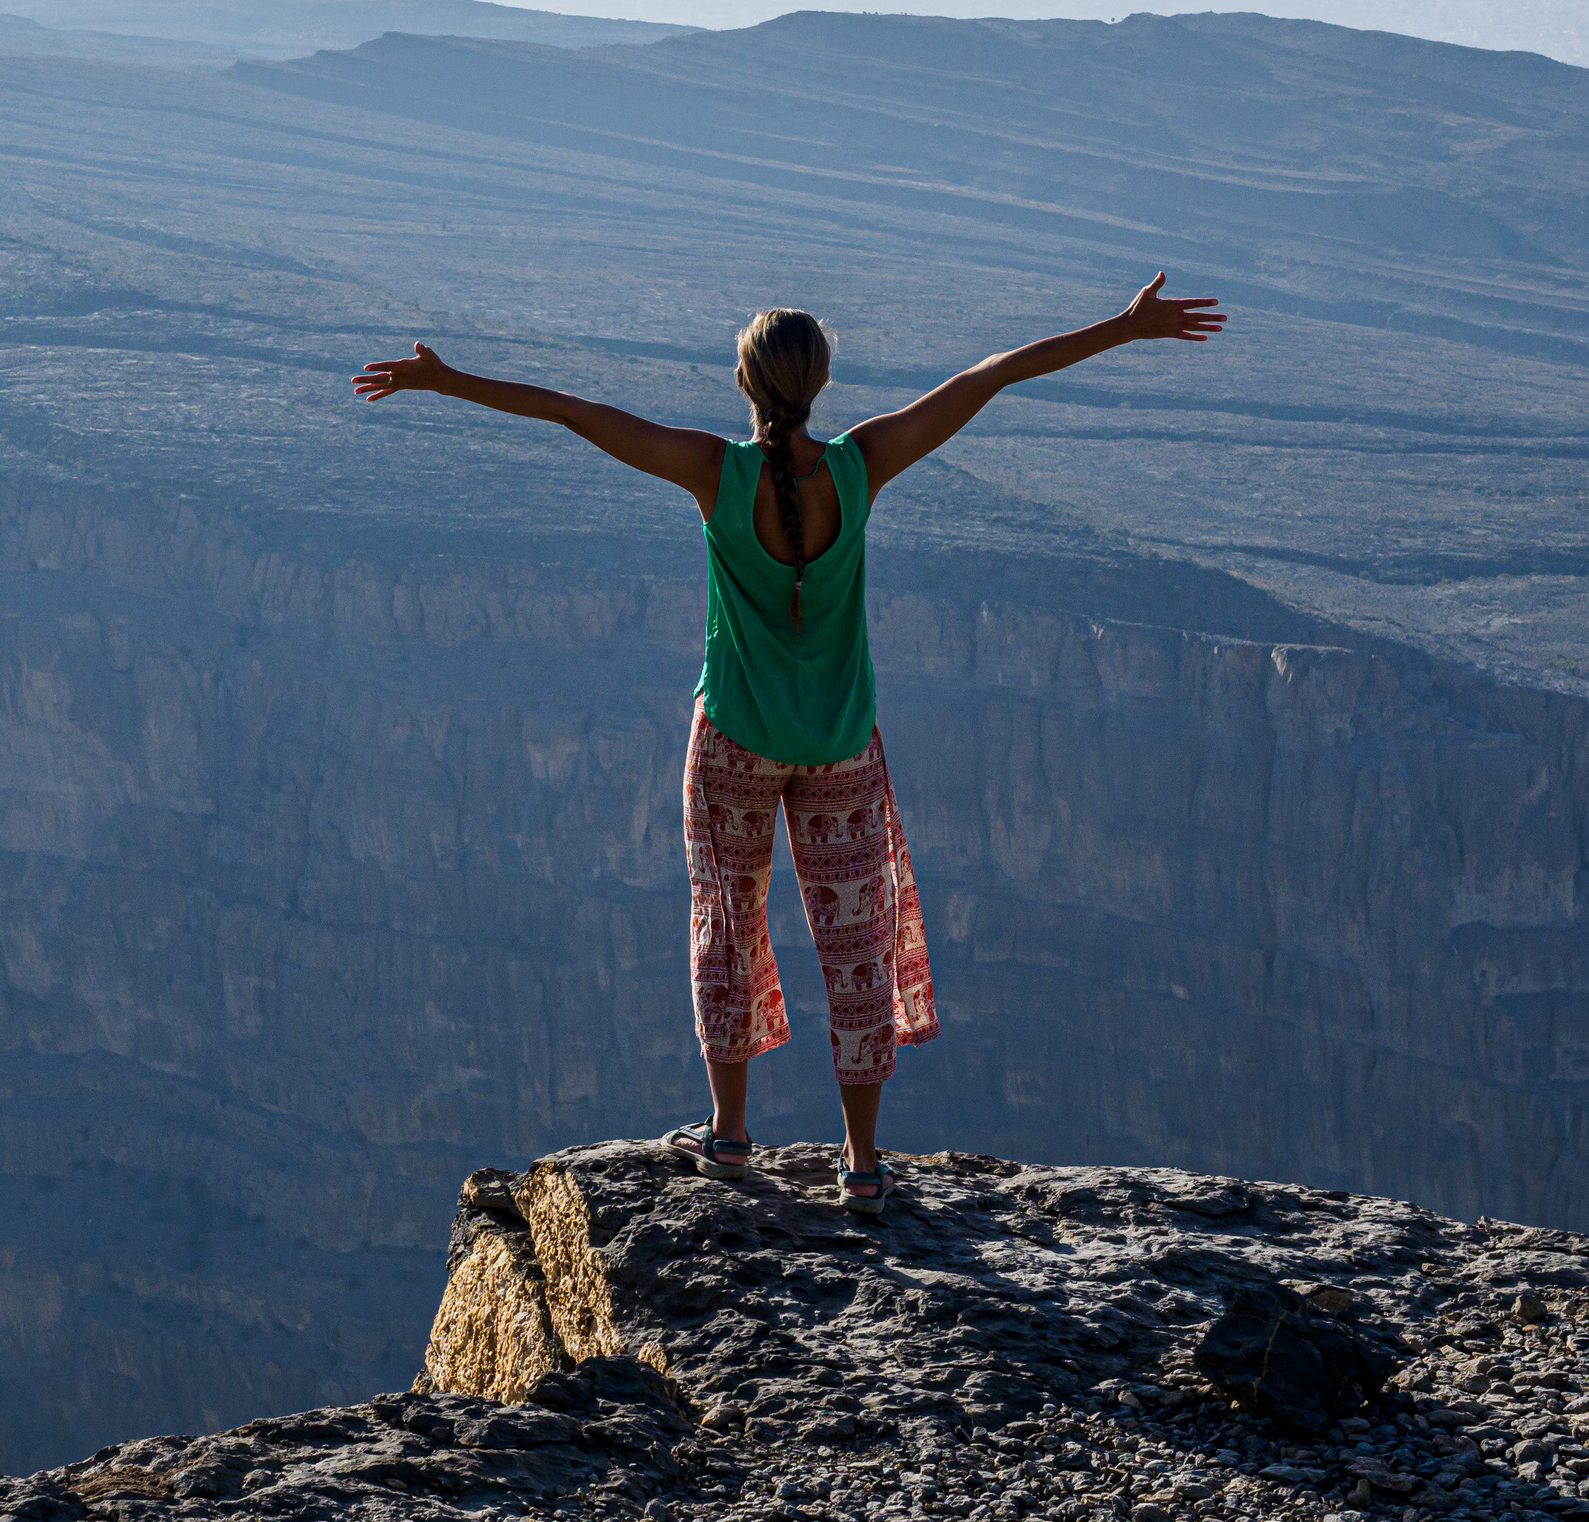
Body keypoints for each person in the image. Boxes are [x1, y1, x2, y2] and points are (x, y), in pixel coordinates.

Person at [352, 274, 1225, 1211]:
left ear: (745, 383)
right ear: (820, 383)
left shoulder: (713, 473)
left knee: (728, 926)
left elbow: (577, 413)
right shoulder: (862, 465)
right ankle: (863, 1161)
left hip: (735, 740)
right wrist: (1123, 328)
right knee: (856, 943)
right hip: (839, 742)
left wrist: (448, 381)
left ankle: (728, 1137)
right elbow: (991, 376)